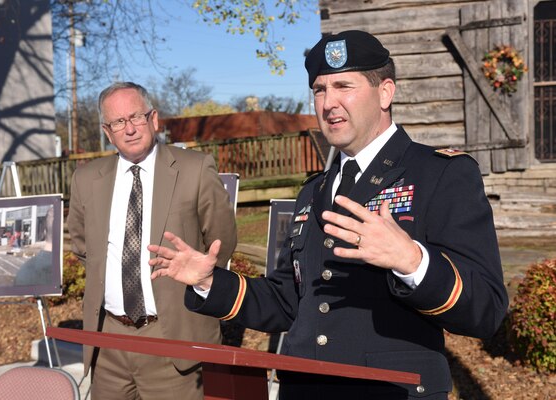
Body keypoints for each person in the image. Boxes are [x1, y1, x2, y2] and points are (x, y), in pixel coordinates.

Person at [148, 31, 508, 399]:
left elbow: (487, 310)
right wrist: (210, 282)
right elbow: (289, 300)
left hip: (389, 391)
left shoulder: (439, 173)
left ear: (385, 92)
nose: (328, 103)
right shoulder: (314, 190)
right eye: (319, 90)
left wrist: (413, 261)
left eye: (343, 86)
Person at [67, 81, 237, 400]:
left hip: (172, 338)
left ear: (154, 119)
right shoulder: (87, 179)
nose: (129, 129)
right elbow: (81, 245)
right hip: (109, 340)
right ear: (107, 131)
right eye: (118, 122)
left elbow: (221, 241)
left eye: (136, 117)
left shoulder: (195, 169)